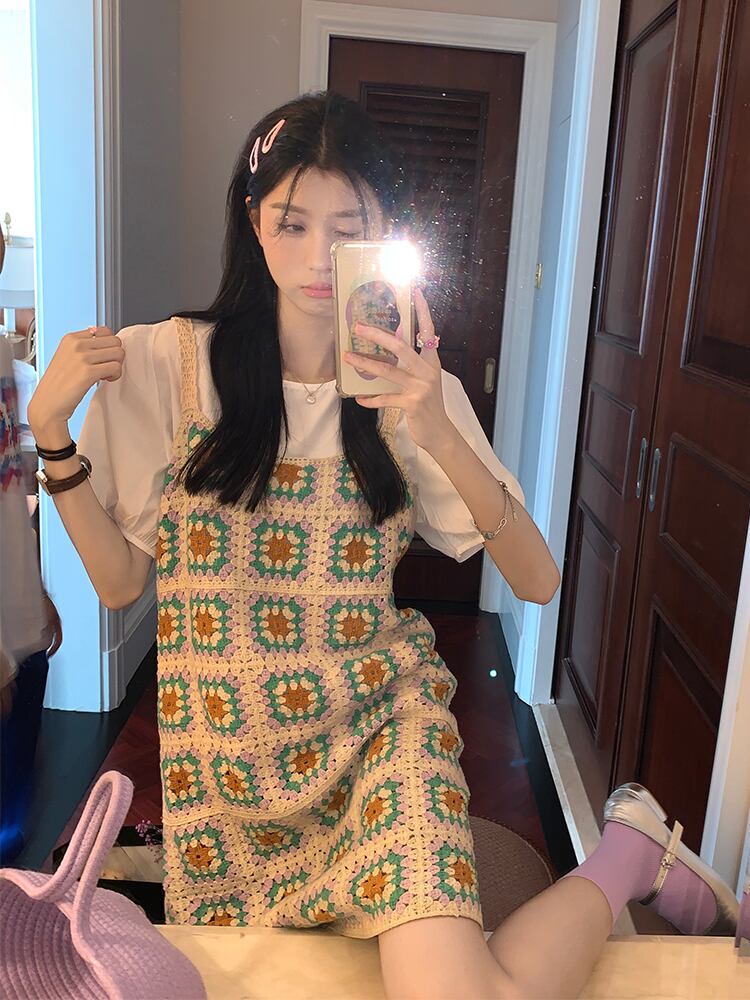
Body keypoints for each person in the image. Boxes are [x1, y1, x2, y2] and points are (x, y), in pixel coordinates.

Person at [26, 91, 743, 998]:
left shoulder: (410, 389)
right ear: (253, 222)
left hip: (379, 735)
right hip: (230, 773)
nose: (317, 258)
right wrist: (52, 439)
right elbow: (121, 582)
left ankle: (621, 863)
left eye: (349, 229)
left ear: (382, 236)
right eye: (292, 222)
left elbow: (537, 579)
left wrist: (436, 425)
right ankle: (635, 849)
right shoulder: (168, 365)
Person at [0, 329, 62, 865]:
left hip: (21, 633)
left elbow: (8, 496)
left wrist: (32, 589)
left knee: (14, 819)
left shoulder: (5, 357)